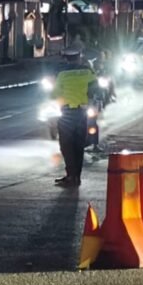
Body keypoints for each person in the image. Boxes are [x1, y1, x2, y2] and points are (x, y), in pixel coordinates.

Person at [52, 47, 96, 188]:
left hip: (66, 113)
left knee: (66, 146)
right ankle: (76, 177)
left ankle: (71, 176)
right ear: (79, 58)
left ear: (66, 59)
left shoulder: (62, 74)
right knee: (79, 145)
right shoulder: (87, 71)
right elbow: (95, 88)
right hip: (82, 112)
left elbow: (54, 94)